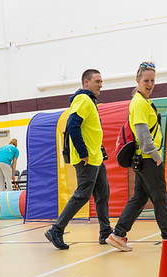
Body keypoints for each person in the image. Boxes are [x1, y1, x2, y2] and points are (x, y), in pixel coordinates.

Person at [106, 63, 167, 252]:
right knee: (160, 197)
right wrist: (156, 156)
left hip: (142, 159)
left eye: (152, 80)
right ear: (137, 81)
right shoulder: (139, 103)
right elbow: (143, 137)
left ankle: (118, 235)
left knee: (139, 198)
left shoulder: (142, 101)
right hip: (148, 159)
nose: (150, 84)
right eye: (146, 81)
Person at [45, 69, 112, 250]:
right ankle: (56, 230)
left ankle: (105, 232)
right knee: (83, 194)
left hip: (96, 157)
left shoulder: (89, 101)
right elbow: (73, 125)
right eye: (97, 81)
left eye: (101, 81)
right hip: (87, 158)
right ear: (86, 83)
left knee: (102, 194)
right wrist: (83, 152)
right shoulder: (83, 99)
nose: (100, 85)